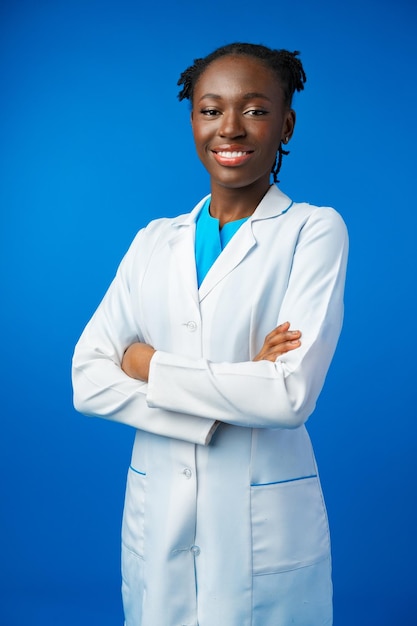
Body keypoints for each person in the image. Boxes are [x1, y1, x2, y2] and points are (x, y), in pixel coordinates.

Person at [72, 42, 348, 626]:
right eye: (210, 109)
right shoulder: (153, 241)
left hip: (262, 526)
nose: (230, 128)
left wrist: (148, 365)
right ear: (193, 120)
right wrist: (234, 389)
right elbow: (87, 380)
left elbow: (289, 396)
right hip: (158, 514)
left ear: (285, 122)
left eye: (254, 109)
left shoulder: (312, 231)